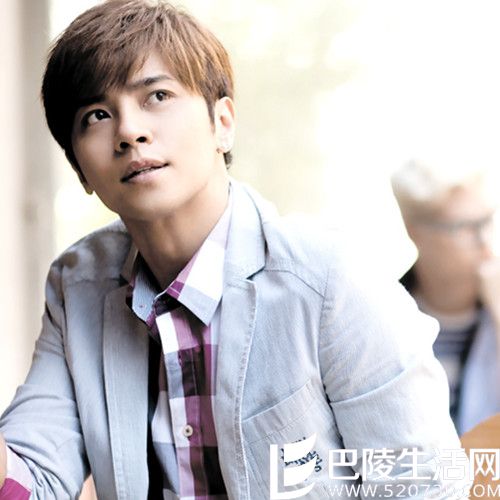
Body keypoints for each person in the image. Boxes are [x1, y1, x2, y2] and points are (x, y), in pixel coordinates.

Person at [0, 1, 468, 498]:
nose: (130, 132)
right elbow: (33, 480)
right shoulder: (77, 286)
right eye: (96, 115)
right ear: (80, 170)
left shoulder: (330, 281)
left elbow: (424, 487)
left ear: (222, 123)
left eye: (157, 95)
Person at [392, 158, 500, 435]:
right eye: (464, 227)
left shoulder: (494, 307)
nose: (485, 240)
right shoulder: (385, 316)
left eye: (487, 220)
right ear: (414, 231)